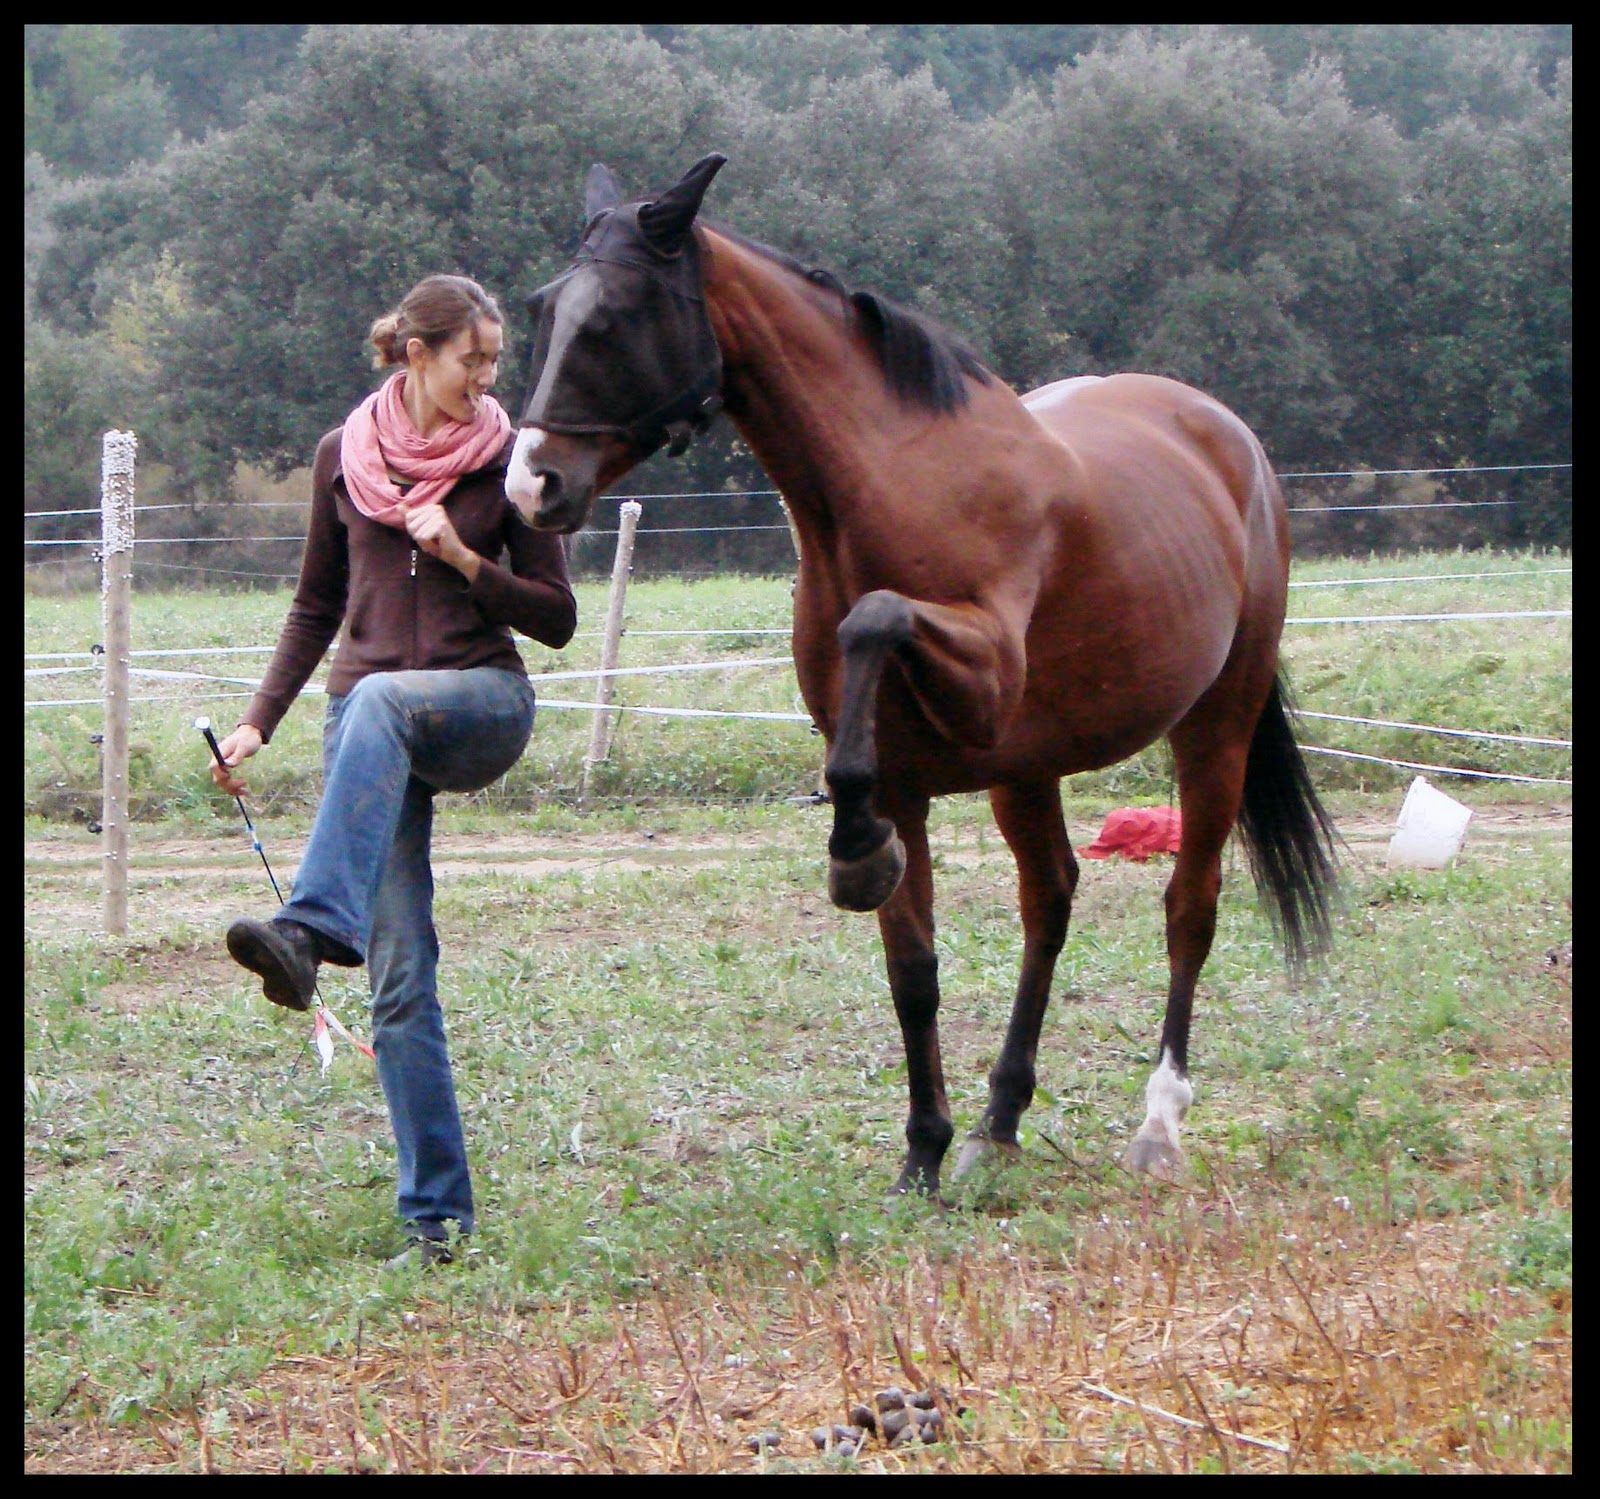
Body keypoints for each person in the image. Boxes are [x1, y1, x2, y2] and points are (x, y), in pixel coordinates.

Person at [212, 273, 576, 1269]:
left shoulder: (511, 462)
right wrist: (258, 722)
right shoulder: (344, 457)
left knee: (375, 700)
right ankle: (437, 1222)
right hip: (367, 732)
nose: (487, 378)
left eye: (496, 361)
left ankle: (311, 927)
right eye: (473, 359)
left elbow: (557, 618)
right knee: (403, 977)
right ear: (417, 354)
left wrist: (464, 556)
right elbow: (313, 607)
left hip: (477, 704)